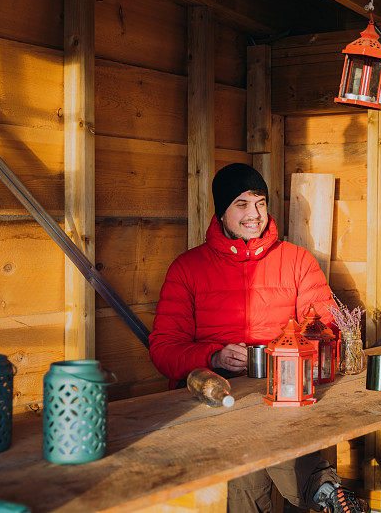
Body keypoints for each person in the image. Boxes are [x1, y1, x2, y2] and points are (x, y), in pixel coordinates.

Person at [148, 163, 368, 513]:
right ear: (221, 212)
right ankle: (324, 491)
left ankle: (323, 491)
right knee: (247, 440)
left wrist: (290, 354)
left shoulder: (297, 262)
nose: (254, 214)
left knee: (263, 436)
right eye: (241, 204)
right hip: (217, 393)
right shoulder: (188, 268)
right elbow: (163, 350)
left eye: (260, 203)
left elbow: (327, 329)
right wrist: (214, 357)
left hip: (283, 388)